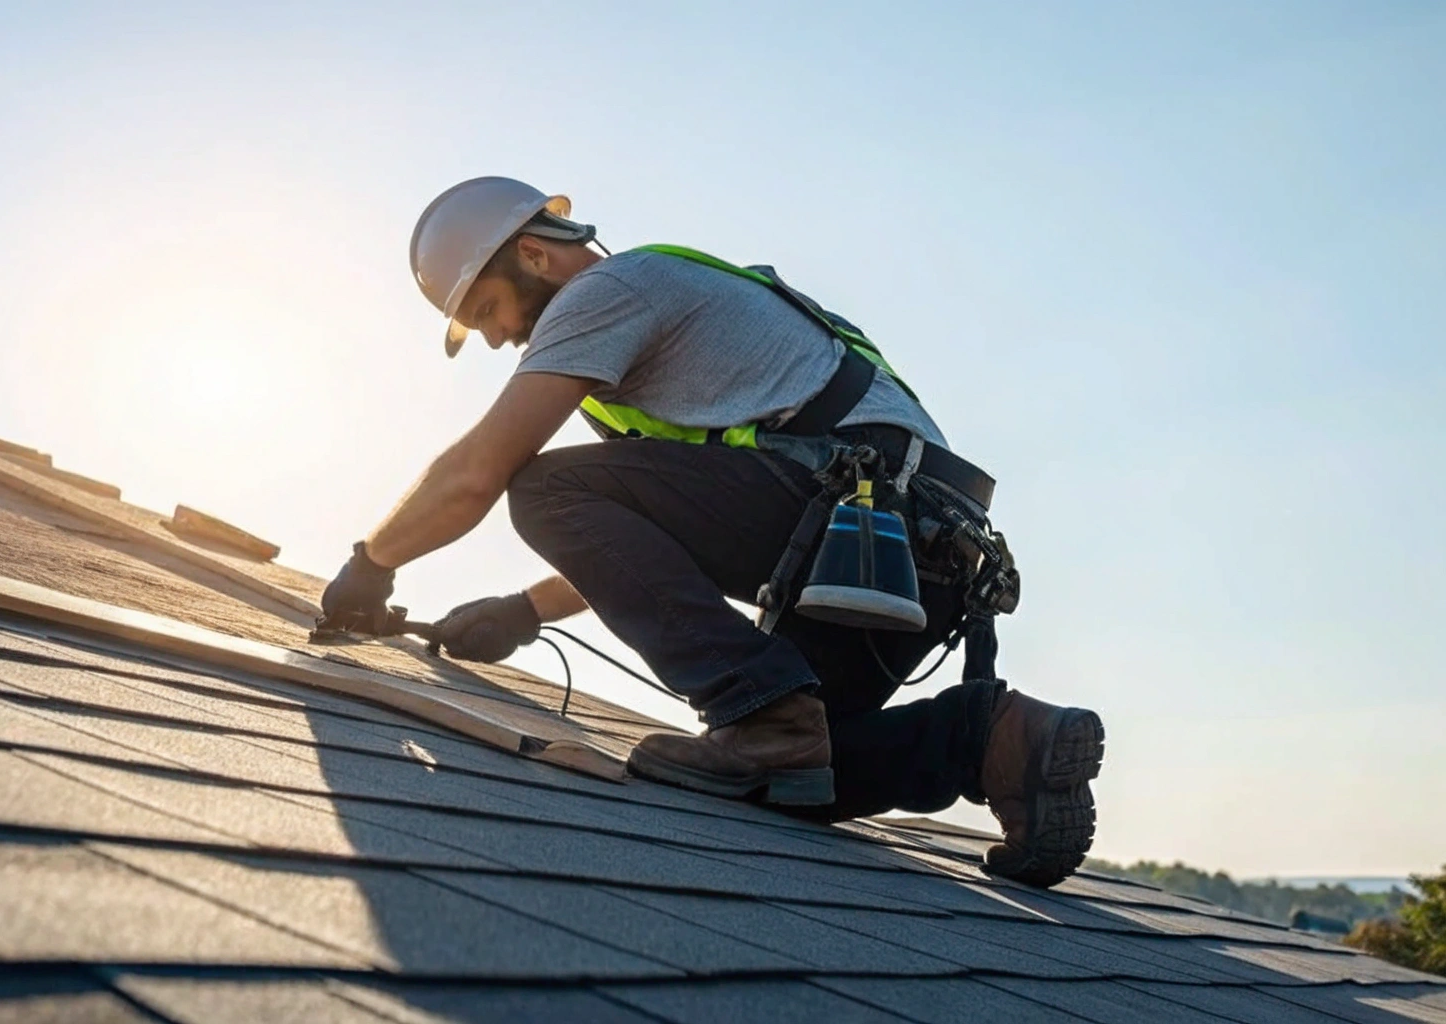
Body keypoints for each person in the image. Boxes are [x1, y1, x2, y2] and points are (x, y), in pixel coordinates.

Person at [318, 177, 1105, 887]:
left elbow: (478, 475)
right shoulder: (657, 326)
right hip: (906, 555)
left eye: (488, 310)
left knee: (542, 488)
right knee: (787, 770)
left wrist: (371, 566)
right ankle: (995, 739)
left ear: (533, 254)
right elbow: (654, 530)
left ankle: (760, 708)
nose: (495, 339)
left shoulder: (606, 293)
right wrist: (524, 611)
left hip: (851, 523)